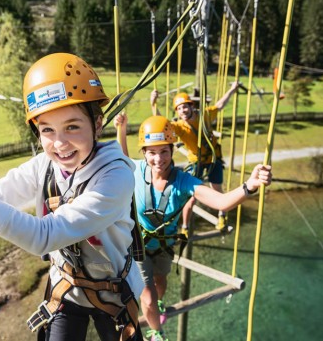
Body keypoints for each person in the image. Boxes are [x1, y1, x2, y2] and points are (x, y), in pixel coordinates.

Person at [0, 53, 145, 341]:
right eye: (47, 130)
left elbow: (45, 235)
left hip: (114, 294)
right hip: (67, 288)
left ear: (98, 124)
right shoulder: (45, 167)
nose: (60, 143)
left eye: (72, 126)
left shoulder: (116, 177)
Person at [114, 113, 272, 341]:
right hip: (138, 247)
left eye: (164, 152)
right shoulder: (137, 171)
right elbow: (121, 158)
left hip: (165, 246)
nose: (158, 159)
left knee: (160, 281)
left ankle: (158, 303)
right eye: (151, 152)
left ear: (172, 151)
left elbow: (221, 202)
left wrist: (250, 185)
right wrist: (122, 128)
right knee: (146, 297)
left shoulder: (183, 181)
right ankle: (157, 332)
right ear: (145, 153)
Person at [150, 82, 240, 231]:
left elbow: (220, 105)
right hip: (196, 160)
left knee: (217, 190)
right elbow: (162, 123)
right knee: (190, 196)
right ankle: (185, 226)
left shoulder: (204, 115)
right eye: (179, 109)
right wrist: (153, 104)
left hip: (212, 158)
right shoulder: (179, 126)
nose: (183, 111)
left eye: (185, 106)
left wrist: (231, 89)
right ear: (177, 112)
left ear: (192, 107)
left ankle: (222, 217)